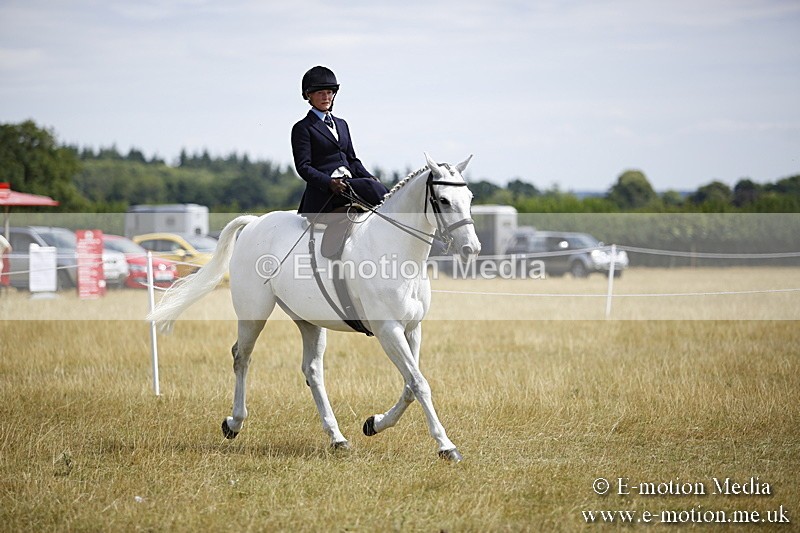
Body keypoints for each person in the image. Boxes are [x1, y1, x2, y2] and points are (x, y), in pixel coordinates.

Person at [291, 65, 388, 215]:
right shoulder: (303, 128)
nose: (326, 97)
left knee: (376, 187)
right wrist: (329, 182)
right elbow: (304, 167)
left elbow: (352, 160)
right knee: (371, 188)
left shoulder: (342, 124)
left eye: (329, 92)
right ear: (308, 95)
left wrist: (369, 176)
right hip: (326, 192)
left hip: (349, 185)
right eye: (320, 93)